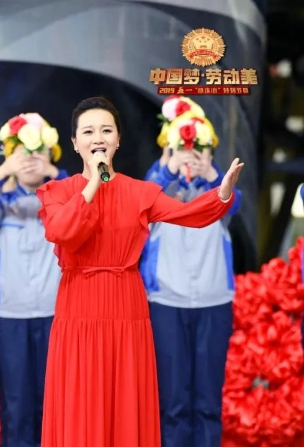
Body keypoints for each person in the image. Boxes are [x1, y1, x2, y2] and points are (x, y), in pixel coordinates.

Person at [35, 96, 243, 447]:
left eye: (106, 130)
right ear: (74, 142)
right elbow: (63, 231)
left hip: (127, 307)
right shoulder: (57, 191)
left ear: (118, 140)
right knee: (81, 404)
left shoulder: (139, 192)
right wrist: (94, 183)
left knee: (125, 403)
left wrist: (220, 194)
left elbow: (187, 214)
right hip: (78, 306)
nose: (98, 138)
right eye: (88, 131)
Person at [0, 112, 67, 446]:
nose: (30, 160)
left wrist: (53, 173)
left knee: (53, 400)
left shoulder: (61, 199)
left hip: (55, 314)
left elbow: (82, 199)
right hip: (10, 314)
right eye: (22, 153)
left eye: (38, 152)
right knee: (16, 402)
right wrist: (4, 171)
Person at [141, 145, 240, 447]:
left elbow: (233, 203)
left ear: (212, 154)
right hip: (166, 303)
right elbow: (143, 201)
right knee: (174, 401)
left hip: (214, 302)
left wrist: (211, 174)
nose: (191, 156)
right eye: (182, 149)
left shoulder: (218, 188)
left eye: (200, 150)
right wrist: (170, 168)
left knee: (209, 401)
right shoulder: (159, 190)